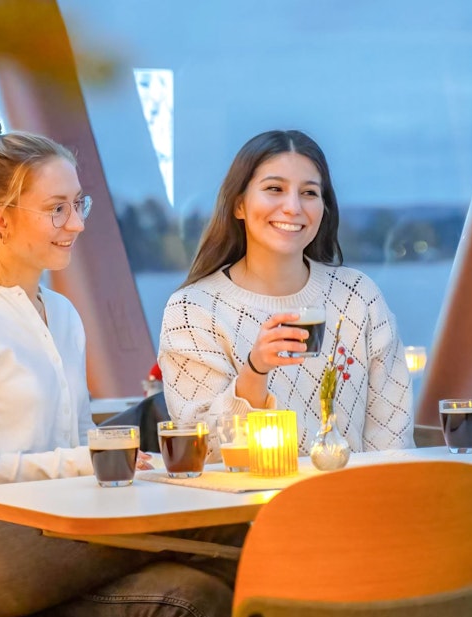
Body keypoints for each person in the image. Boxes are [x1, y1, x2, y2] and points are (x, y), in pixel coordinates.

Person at [0, 109, 244, 617]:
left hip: (58, 524)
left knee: (200, 599)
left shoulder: (62, 313)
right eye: (57, 209)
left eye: (79, 204)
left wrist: (133, 460)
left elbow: (71, 437)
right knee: (219, 532)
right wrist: (82, 463)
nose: (78, 223)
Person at [158, 130, 413, 452]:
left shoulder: (358, 296)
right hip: (252, 502)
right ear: (238, 204)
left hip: (355, 497)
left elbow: (392, 441)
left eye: (309, 193)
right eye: (274, 189)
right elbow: (201, 451)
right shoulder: (193, 310)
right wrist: (255, 370)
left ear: (324, 208)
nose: (293, 207)